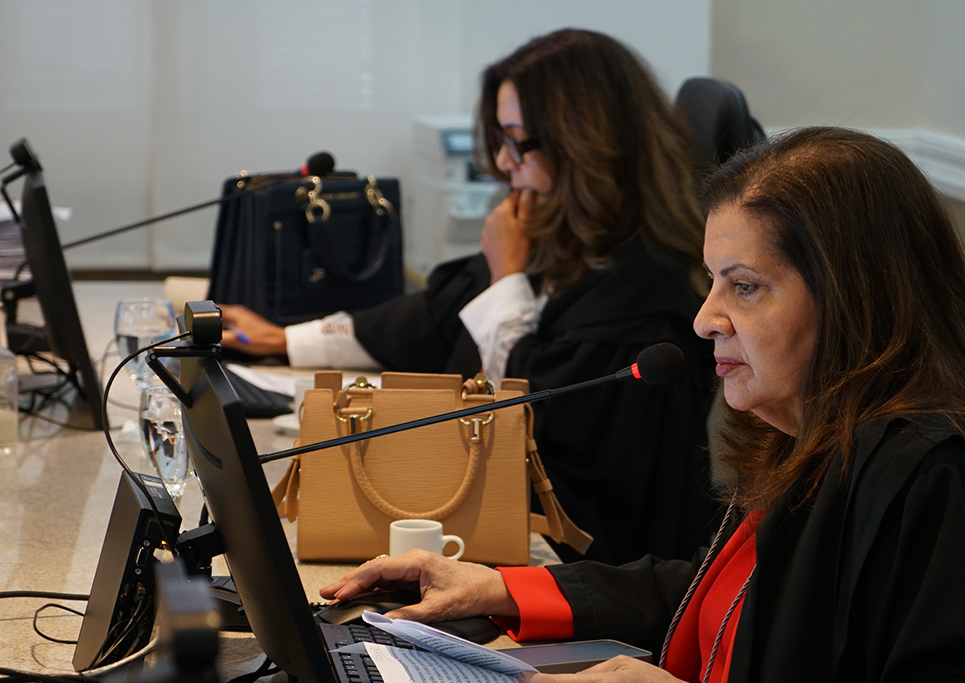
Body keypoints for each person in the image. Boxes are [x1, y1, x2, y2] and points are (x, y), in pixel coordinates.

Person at [320, 127, 965, 683]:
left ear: (852, 299)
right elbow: (725, 594)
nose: (703, 318)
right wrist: (502, 589)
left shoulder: (939, 478)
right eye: (714, 281)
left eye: (744, 288)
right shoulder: (821, 429)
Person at [222, 29, 719, 565]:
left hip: (591, 572)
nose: (504, 163)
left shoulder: (645, 294)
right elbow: (430, 320)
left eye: (516, 140)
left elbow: (541, 418)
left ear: (586, 145)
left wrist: (507, 279)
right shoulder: (562, 237)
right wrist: (286, 339)